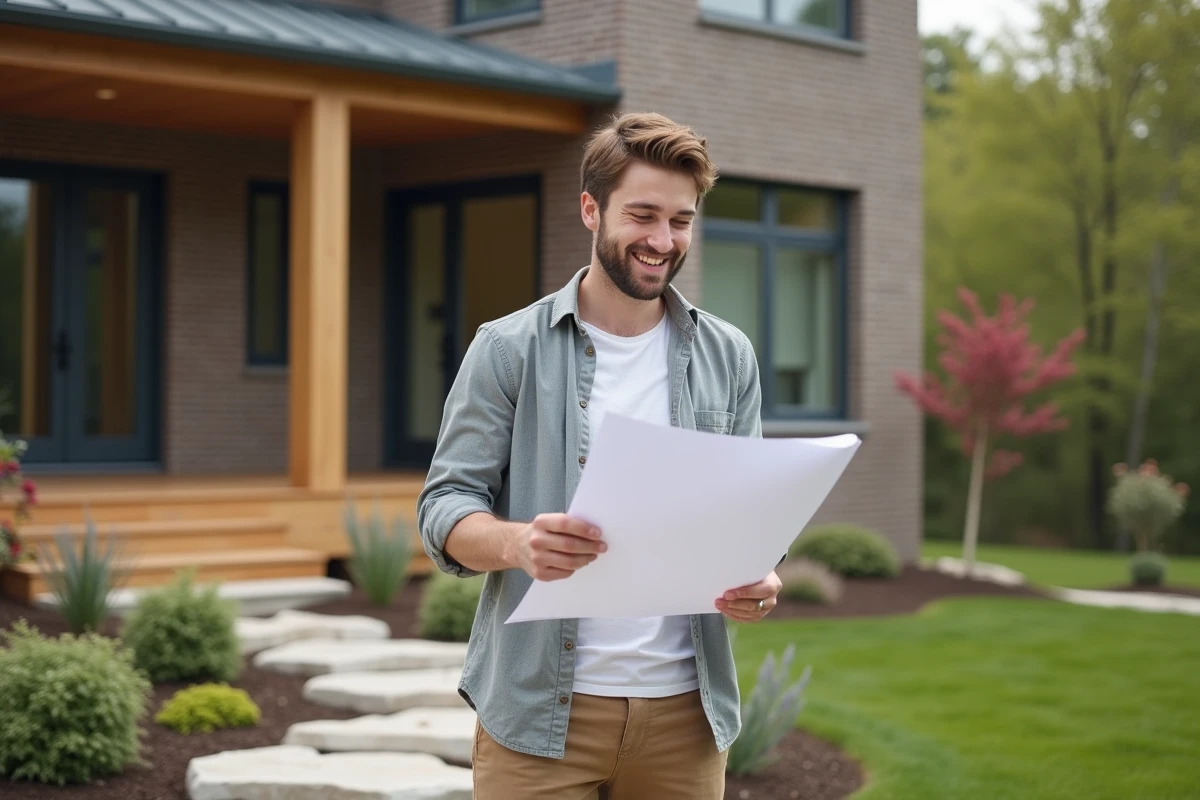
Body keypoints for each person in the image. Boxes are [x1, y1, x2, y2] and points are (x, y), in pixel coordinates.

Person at [417, 111, 782, 799]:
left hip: (685, 721)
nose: (662, 240)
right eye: (642, 215)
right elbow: (444, 507)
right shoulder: (508, 349)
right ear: (591, 210)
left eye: (680, 221)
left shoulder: (729, 356)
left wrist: (758, 578)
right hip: (538, 718)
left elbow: (749, 511)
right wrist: (518, 543)